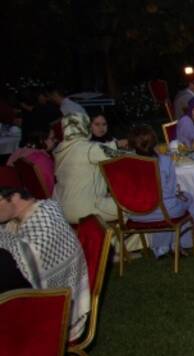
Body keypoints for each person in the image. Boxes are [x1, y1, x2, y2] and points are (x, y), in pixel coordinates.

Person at [0, 168, 91, 337]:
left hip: (55, 315)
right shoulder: (38, 211)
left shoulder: (44, 223)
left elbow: (22, 258)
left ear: (14, 197)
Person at [124, 125, 193, 258]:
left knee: (169, 203)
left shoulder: (126, 164)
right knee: (188, 198)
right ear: (155, 142)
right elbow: (172, 190)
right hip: (164, 211)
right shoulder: (165, 160)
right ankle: (178, 244)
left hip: (137, 213)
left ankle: (161, 247)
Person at [53, 113, 118, 224]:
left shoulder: (59, 149)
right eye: (95, 124)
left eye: (104, 124)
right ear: (86, 126)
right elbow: (118, 153)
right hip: (85, 210)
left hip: (60, 209)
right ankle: (115, 240)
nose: (101, 128)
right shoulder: (89, 148)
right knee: (134, 206)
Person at [6, 126, 56, 196]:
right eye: (52, 138)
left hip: (29, 195)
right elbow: (52, 187)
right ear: (41, 140)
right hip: (48, 198)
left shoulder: (20, 152)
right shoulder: (42, 159)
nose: (55, 140)